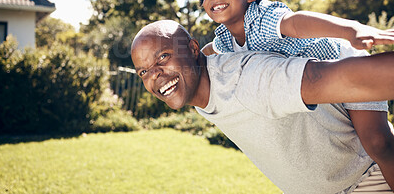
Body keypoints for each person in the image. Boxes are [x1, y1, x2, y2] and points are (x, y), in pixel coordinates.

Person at [191, 0, 394, 186]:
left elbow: (295, 23)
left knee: (378, 143)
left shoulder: (261, 17)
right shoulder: (224, 40)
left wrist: (352, 31)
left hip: (342, 63)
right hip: (321, 87)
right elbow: (207, 54)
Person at [131, 20, 394, 194]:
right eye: (143, 71)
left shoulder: (247, 79)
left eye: (163, 57)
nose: (154, 75)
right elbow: (211, 51)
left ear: (192, 49)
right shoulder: (198, 81)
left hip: (369, 180)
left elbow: (329, 78)